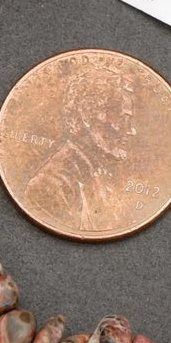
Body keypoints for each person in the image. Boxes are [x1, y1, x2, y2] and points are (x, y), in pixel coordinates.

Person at [23, 64, 137, 231]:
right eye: (123, 119)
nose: (131, 131)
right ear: (86, 114)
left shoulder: (98, 176)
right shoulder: (49, 187)